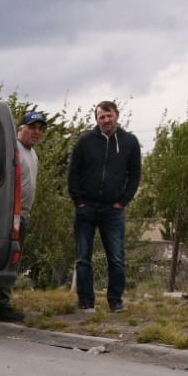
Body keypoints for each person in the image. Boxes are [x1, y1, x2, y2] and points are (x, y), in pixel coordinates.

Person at [68, 100, 142, 311]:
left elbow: (135, 174)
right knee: (83, 257)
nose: (106, 120)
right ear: (96, 119)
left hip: (113, 209)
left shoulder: (129, 142)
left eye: (109, 116)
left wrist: (123, 201)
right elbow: (73, 173)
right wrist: (79, 201)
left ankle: (115, 300)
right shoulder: (84, 142)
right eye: (102, 116)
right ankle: (85, 301)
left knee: (117, 258)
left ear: (117, 116)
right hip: (86, 208)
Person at [0, 110, 48, 323]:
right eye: (32, 127)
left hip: (23, 214)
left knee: (15, 259)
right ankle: (1, 303)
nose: (36, 132)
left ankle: (1, 301)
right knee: (9, 258)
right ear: (21, 129)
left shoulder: (32, 153)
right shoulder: (14, 149)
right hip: (11, 214)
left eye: (40, 129)